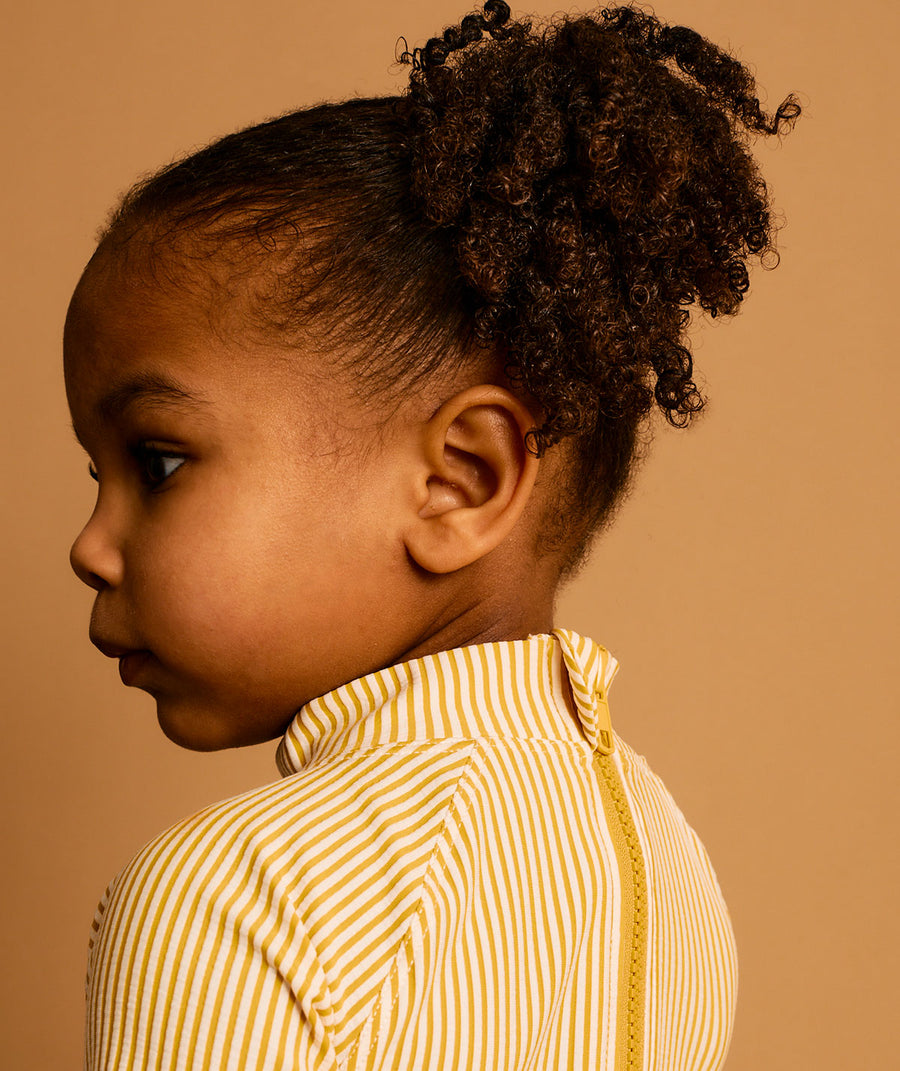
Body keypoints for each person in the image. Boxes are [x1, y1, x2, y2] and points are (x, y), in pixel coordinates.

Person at [64, 3, 798, 1068]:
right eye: (98, 476)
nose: (88, 546)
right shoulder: (664, 859)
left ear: (462, 481)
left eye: (158, 462)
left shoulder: (239, 896)